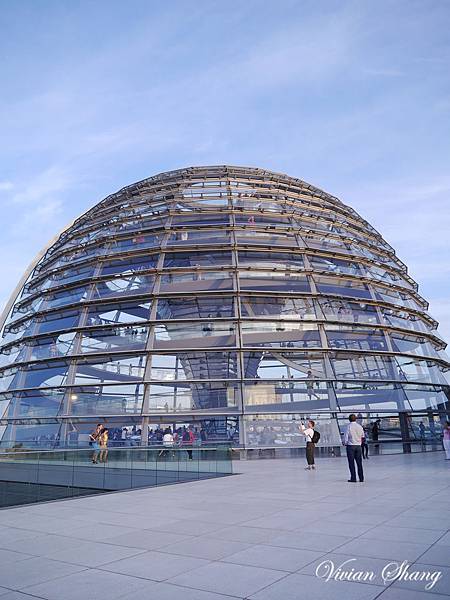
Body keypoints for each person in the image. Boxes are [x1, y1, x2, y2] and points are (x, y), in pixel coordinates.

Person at [343, 414, 365, 482]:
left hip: (351, 446)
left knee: (351, 463)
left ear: (349, 419)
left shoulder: (348, 426)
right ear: (355, 419)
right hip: (358, 446)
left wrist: (345, 443)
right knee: (359, 463)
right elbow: (363, 436)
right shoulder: (360, 426)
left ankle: (353, 478)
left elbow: (346, 437)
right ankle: (361, 478)